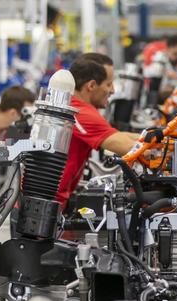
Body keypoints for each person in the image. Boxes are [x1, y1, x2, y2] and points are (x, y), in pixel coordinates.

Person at [56, 53, 139, 207]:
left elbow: (119, 135)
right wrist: (168, 150)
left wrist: (160, 137)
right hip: (44, 209)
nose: (113, 90)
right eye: (108, 84)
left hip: (53, 204)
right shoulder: (80, 113)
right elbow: (130, 148)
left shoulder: (73, 106)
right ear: (92, 85)